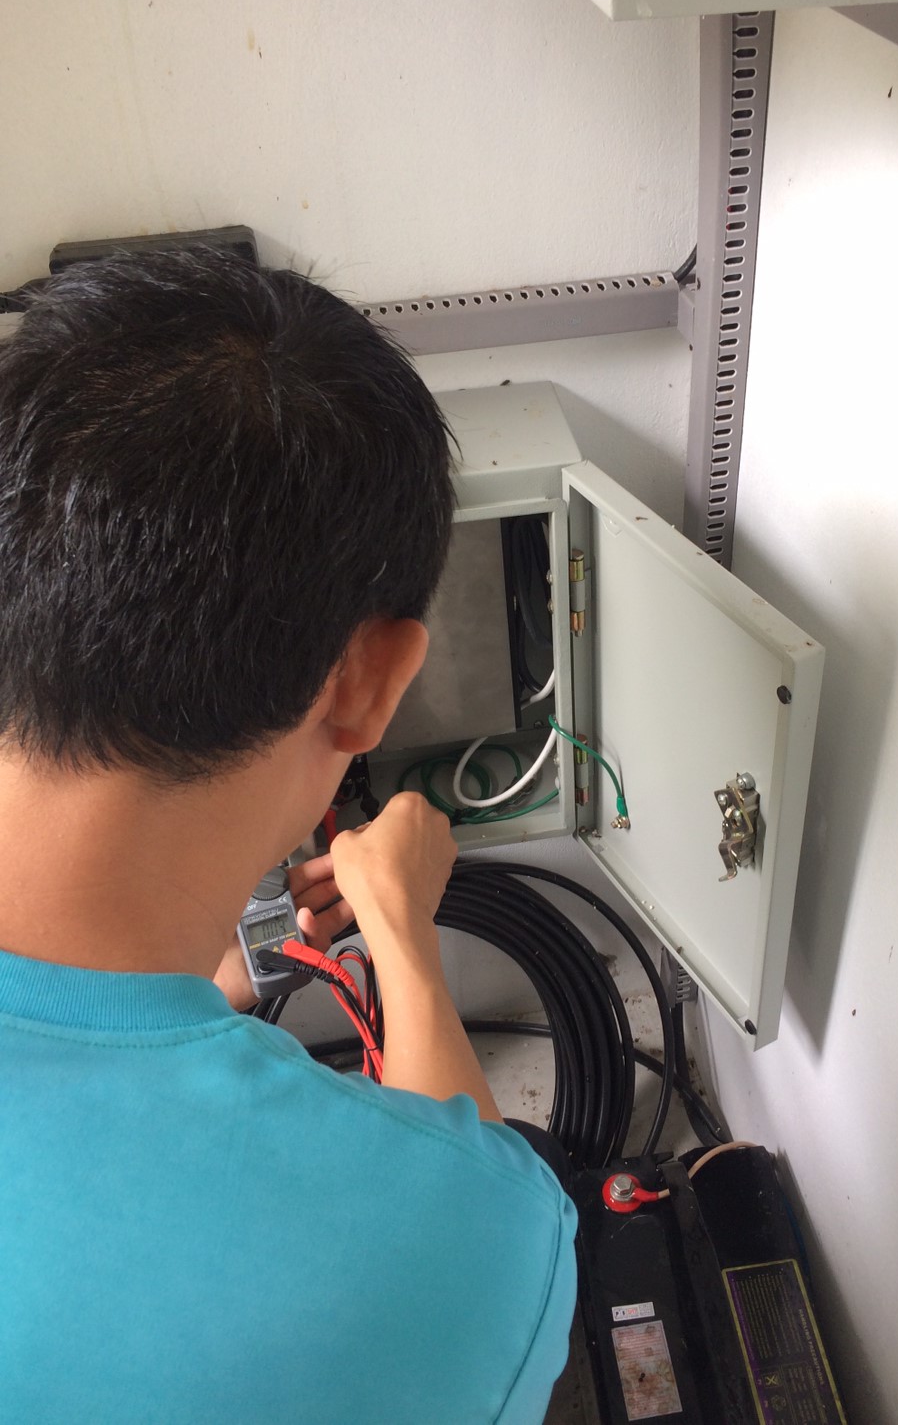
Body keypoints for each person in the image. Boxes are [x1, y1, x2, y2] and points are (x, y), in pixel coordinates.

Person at [0, 249, 577, 1423]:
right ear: (371, 681)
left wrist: (205, 993)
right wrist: (401, 934)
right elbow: (464, 1200)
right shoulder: (472, 1244)